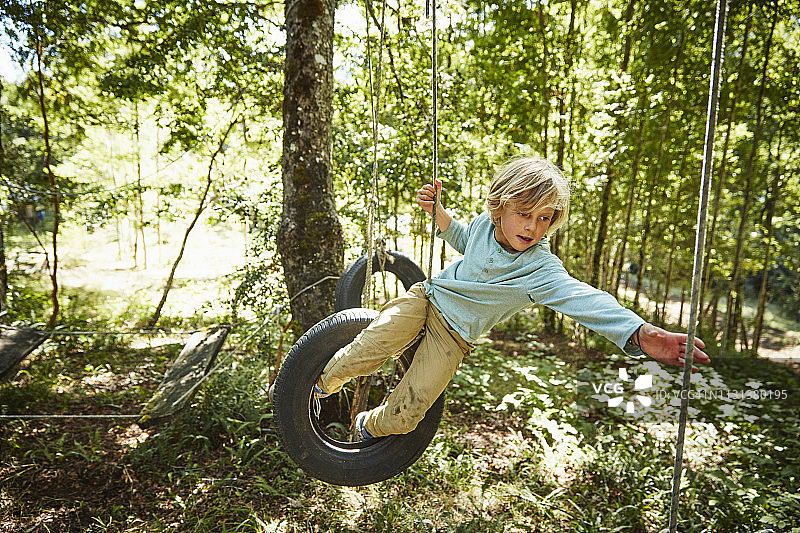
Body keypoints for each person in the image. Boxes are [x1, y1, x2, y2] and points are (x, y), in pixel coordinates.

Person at [316, 157, 710, 440]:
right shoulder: (487, 226)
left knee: (408, 415)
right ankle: (315, 387)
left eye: (545, 218)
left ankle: (367, 424)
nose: (533, 226)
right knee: (371, 345)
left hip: (454, 336)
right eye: (525, 213)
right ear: (500, 205)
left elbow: (585, 299)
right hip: (427, 298)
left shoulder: (540, 269)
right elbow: (464, 239)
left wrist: (639, 333)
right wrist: (439, 212)